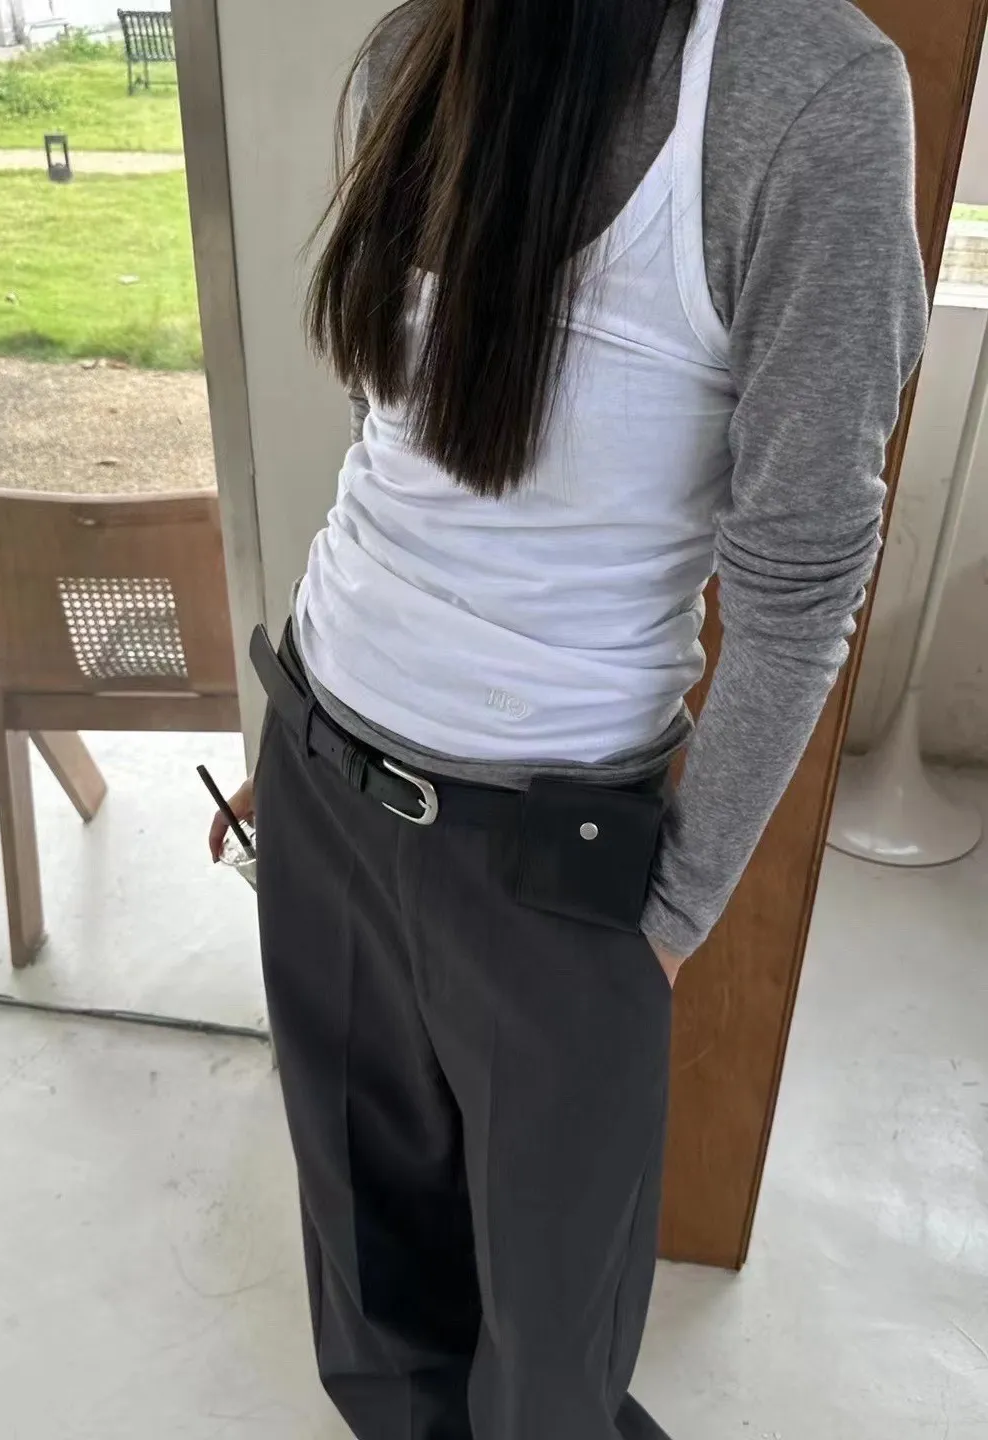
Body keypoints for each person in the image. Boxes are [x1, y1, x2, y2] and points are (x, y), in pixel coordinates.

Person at [209, 0, 927, 1434]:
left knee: (551, 1359)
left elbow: (797, 594)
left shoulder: (809, 94)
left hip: (552, 862)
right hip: (322, 765)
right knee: (370, 1298)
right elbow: (394, 445)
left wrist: (666, 918)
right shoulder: (422, 43)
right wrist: (304, 748)